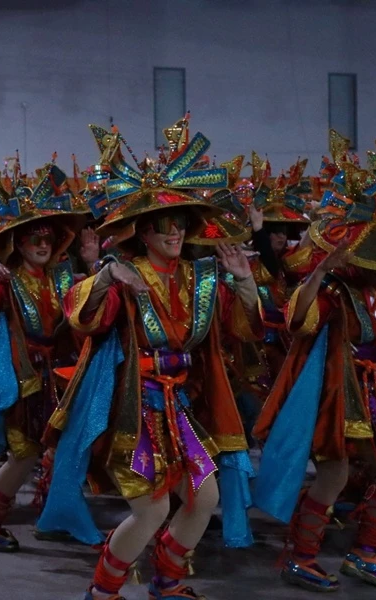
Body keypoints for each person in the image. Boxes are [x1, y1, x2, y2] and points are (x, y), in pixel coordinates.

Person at [40, 122, 264, 600]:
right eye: (165, 224)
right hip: (133, 411)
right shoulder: (125, 275)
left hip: (179, 409)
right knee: (151, 510)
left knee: (205, 499)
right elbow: (83, 320)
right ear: (143, 232)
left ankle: (167, 581)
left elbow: (241, 330)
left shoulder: (201, 277)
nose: (175, 232)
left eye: (181, 222)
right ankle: (103, 591)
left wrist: (244, 282)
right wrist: (104, 278)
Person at [252, 130, 376, 592]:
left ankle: (365, 553)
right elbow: (298, 322)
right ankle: (301, 556)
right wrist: (321, 270)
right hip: (339, 396)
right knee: (334, 473)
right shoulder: (335, 290)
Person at [0, 164, 91, 552]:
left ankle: (51, 513)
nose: (43, 245)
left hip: (61, 377)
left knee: (60, 447)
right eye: (34, 239)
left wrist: (94, 273)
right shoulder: (5, 279)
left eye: (48, 239)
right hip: (22, 380)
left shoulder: (63, 277)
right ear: (18, 243)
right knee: (24, 453)